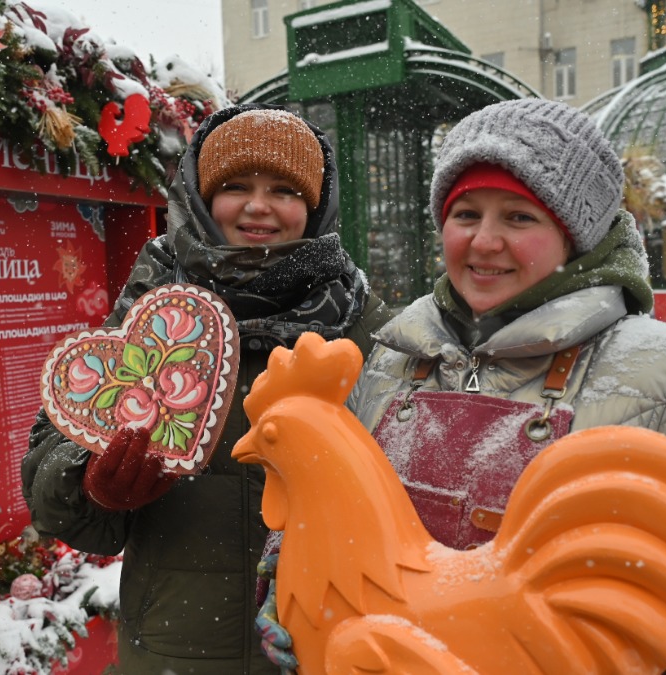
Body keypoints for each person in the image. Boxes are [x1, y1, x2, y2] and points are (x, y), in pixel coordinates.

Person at [258, 97, 666, 674]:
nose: (484, 241)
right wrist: (295, 587)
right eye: (466, 214)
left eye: (519, 217)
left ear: (575, 236)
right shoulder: (394, 359)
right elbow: (331, 510)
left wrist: (634, 650)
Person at [22, 103, 392, 674]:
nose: (259, 206)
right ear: (201, 197)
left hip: (331, 648)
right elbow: (52, 475)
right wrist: (91, 483)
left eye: (285, 190)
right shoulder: (152, 316)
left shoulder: (364, 326)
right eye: (236, 186)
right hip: (176, 651)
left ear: (316, 207)